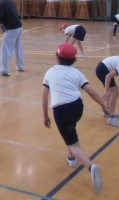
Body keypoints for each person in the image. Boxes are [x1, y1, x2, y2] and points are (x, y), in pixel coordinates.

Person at [42, 43, 108, 191]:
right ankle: (71, 158)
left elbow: (44, 97)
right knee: (70, 130)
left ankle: (91, 167)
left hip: (61, 110)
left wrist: (45, 116)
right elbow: (92, 92)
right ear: (74, 59)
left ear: (57, 57)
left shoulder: (50, 72)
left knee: (73, 143)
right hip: (78, 107)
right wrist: (104, 106)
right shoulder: (77, 73)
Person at [0, 0, 24, 76]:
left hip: (12, 29)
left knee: (5, 49)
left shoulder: (1, 3)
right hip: (19, 27)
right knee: (18, 47)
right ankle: (20, 66)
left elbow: (1, 19)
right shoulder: (10, 1)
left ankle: (4, 70)